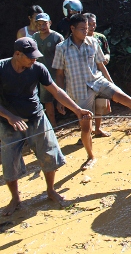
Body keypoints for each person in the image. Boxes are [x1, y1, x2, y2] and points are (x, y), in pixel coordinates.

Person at [52, 14, 131, 170]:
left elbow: (101, 65)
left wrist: (111, 84)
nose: (86, 31)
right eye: (82, 29)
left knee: (126, 99)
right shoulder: (61, 48)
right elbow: (59, 75)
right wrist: (60, 98)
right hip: (78, 90)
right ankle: (90, 157)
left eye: (87, 28)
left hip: (98, 81)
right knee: (85, 128)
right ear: (72, 29)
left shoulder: (93, 42)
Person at [0, 37, 93, 216]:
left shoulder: (38, 68)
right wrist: (10, 116)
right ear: (17, 54)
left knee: (49, 154)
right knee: (10, 161)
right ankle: (15, 198)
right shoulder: (1, 69)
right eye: (30, 57)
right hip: (8, 123)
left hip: (37, 118)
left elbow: (56, 91)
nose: (34, 60)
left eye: (35, 56)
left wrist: (77, 109)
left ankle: (50, 190)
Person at [32, 13, 64, 126]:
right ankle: (53, 125)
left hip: (57, 73)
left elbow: (64, 55)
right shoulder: (34, 38)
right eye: (39, 24)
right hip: (43, 74)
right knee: (47, 100)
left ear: (50, 23)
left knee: (62, 96)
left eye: (44, 24)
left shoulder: (57, 37)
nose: (42, 27)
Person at [85, 13, 112, 137]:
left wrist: (106, 57)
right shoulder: (79, 39)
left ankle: (98, 129)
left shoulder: (100, 38)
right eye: (89, 24)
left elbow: (107, 52)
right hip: (85, 79)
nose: (92, 26)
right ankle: (86, 132)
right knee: (87, 107)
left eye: (94, 24)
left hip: (99, 76)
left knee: (100, 104)